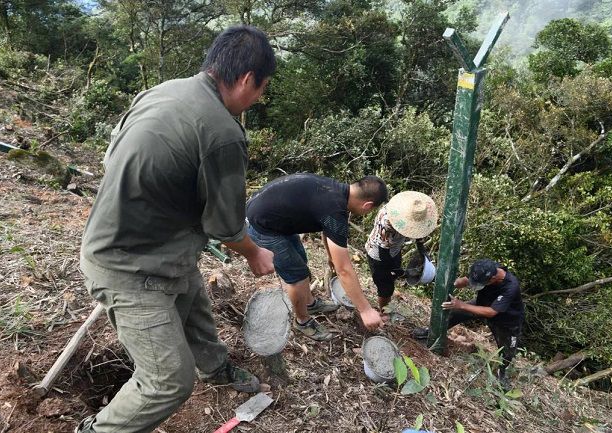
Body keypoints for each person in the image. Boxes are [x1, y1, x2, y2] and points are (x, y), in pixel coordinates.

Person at [76, 26, 276, 433]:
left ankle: (215, 367)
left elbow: (113, 155)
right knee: (168, 382)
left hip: (155, 242)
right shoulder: (221, 132)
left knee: (192, 301)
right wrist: (255, 253)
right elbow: (225, 226)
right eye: (260, 89)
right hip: (129, 268)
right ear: (245, 79)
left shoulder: (164, 90)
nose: (258, 99)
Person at [246, 173, 388, 341]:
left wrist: (330, 256)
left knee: (301, 260)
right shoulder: (335, 211)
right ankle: (302, 321)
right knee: (297, 276)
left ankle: (310, 304)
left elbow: (327, 231)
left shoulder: (335, 189)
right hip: (262, 226)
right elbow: (344, 270)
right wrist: (366, 310)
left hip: (271, 217)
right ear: (367, 205)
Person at [413, 259, 525, 389]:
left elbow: (492, 312)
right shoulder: (485, 269)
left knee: (507, 351)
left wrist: (462, 305)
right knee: (454, 313)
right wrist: (453, 283)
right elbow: (465, 280)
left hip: (506, 320)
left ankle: (502, 372)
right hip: (482, 304)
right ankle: (430, 332)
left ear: (493, 279)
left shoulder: (511, 286)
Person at [365, 191, 438, 313]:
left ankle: (387, 299)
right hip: (378, 253)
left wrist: (422, 251)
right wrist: (393, 270)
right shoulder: (388, 221)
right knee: (385, 287)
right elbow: (383, 250)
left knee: (391, 279)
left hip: (394, 249)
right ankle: (383, 312)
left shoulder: (414, 210)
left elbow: (419, 232)